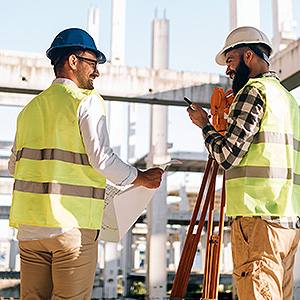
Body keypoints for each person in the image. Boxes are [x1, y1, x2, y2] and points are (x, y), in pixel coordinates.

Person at [8, 27, 163, 300]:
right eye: (93, 63)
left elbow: (13, 167)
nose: (97, 72)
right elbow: (102, 160)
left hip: (30, 229)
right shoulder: (86, 102)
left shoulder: (28, 110)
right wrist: (143, 177)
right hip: (71, 227)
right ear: (73, 61)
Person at [187, 26, 300, 300]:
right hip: (287, 222)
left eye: (230, 61)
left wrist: (206, 126)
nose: (228, 71)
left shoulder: (252, 92)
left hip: (256, 221)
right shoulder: (287, 100)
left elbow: (227, 156)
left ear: (248, 56)